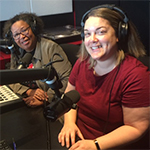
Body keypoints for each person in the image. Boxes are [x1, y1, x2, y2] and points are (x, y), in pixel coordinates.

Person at [58, 4, 150, 150]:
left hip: (104, 145)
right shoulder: (82, 62)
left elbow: (136, 127)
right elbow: (68, 97)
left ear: (119, 35)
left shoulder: (136, 76)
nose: (92, 39)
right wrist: (69, 123)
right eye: (87, 34)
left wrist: (95, 145)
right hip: (77, 138)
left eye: (100, 32)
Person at [3, 12, 72, 108]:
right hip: (28, 99)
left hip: (52, 103)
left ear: (34, 29)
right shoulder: (16, 50)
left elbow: (67, 79)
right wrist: (29, 91)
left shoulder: (50, 47)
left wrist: (46, 98)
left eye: (24, 30)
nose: (22, 36)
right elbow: (12, 78)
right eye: (16, 35)